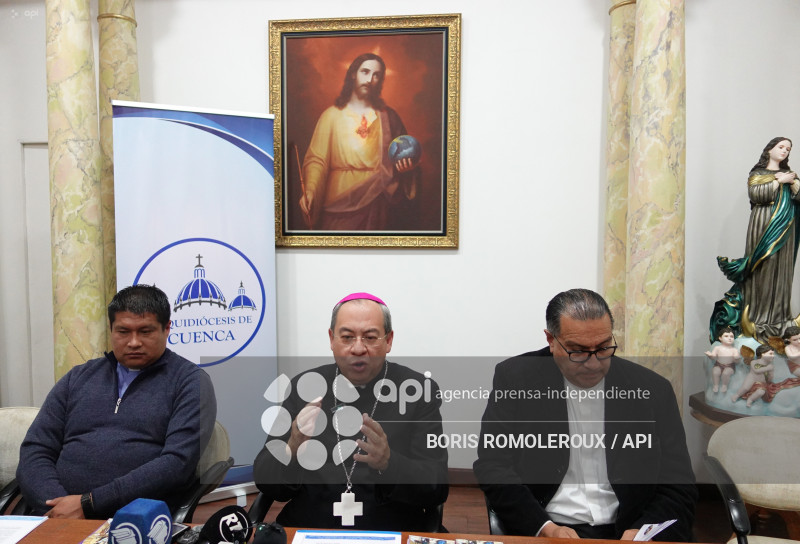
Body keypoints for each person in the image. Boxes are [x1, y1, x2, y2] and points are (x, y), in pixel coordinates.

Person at [474, 289, 697, 541]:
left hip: (629, 526)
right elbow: (493, 466)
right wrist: (545, 528)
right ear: (551, 340)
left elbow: (678, 483)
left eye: (603, 348)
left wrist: (643, 531)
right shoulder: (516, 379)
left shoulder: (652, 389)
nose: (593, 363)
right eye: (577, 351)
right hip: (550, 525)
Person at [17, 285, 217, 519]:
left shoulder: (190, 382)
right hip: (55, 515)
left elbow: (176, 464)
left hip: (133, 519)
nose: (133, 342)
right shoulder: (78, 378)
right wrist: (55, 506)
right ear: (111, 329)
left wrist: (88, 504)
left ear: (167, 329)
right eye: (123, 331)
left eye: (145, 331)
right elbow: (36, 449)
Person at [253, 292, 448, 530]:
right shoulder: (305, 386)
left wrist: (389, 463)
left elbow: (437, 486)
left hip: (391, 527)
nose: (357, 348)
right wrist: (292, 446)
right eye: (347, 337)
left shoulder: (417, 391)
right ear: (331, 339)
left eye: (370, 337)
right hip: (312, 526)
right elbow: (265, 479)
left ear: (388, 341)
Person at [299, 53, 419, 231]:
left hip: (379, 200)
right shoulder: (331, 116)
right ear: (353, 74)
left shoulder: (389, 117)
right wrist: (310, 190)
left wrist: (407, 171)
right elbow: (317, 160)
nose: (370, 79)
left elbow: (406, 156)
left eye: (376, 75)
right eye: (365, 72)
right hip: (339, 200)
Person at [714, 137, 800, 342]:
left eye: (788, 149)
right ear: (769, 150)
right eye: (781, 147)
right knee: (763, 268)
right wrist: (779, 181)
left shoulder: (790, 175)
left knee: (782, 270)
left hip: (786, 229)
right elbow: (756, 195)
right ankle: (758, 318)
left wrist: (793, 182)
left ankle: (780, 319)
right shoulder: (758, 174)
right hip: (763, 225)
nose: (784, 151)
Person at [705, 326, 741, 393]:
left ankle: (724, 385)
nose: (729, 338)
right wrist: (710, 355)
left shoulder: (734, 350)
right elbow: (713, 357)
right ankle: (716, 385)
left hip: (729, 366)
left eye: (731, 336)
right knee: (715, 372)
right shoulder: (717, 348)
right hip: (718, 365)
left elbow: (737, 361)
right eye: (726, 336)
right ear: (720, 338)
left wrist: (737, 359)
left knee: (726, 373)